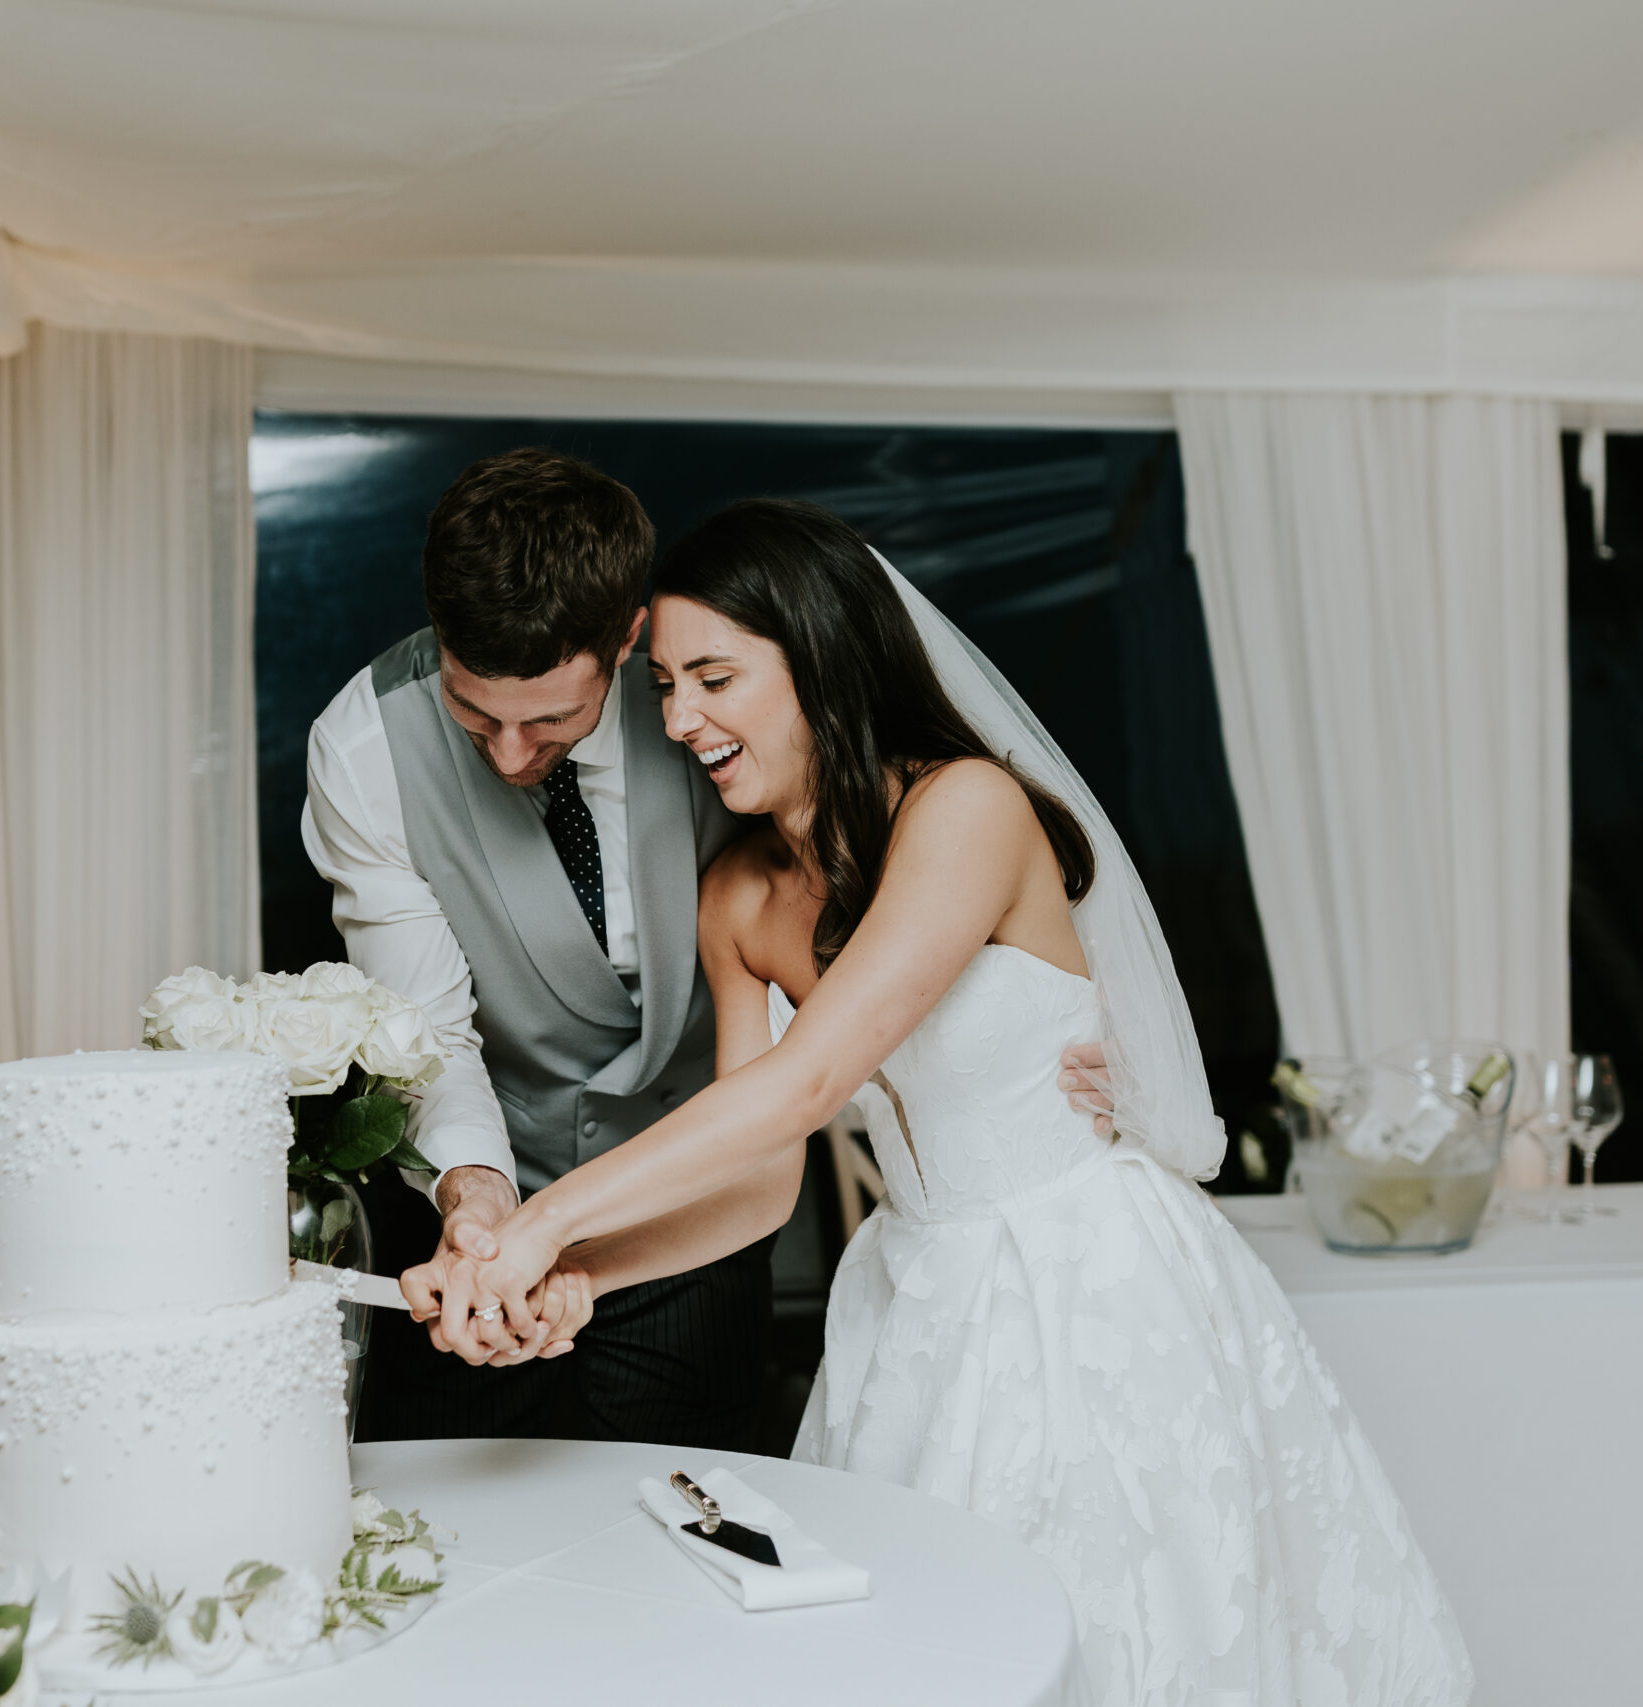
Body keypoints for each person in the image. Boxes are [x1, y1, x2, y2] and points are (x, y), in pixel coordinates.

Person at [420, 500, 1475, 1704]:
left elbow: (807, 1080)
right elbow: (761, 1180)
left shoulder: (966, 809)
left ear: (819, 658)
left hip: (1092, 1290)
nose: (678, 720)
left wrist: (543, 1223)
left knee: (1123, 1639)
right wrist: (582, 1280)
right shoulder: (740, 898)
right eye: (663, 684)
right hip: (911, 1310)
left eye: (713, 677)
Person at [301, 447, 764, 1447]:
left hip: (691, 1199)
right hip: (475, 1219)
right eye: (474, 715)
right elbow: (426, 1030)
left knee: (690, 1525)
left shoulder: (716, 716)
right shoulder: (362, 749)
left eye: (551, 719)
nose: (511, 754)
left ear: (629, 638)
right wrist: (476, 1204)